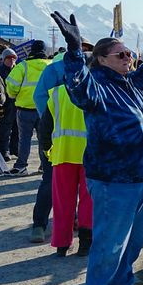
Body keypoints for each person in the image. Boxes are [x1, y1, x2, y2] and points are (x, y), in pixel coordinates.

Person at [51, 6, 143, 285]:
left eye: (129, 53)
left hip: (142, 176)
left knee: (131, 244)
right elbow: (78, 86)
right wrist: (73, 52)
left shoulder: (133, 84)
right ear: (102, 60)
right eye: (121, 55)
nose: (128, 57)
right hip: (114, 179)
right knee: (110, 246)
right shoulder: (97, 86)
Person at [28, 38, 94, 243]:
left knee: (72, 188)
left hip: (74, 141)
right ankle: (40, 225)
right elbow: (41, 98)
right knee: (52, 183)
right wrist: (51, 122)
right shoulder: (57, 69)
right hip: (60, 139)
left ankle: (71, 224)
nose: (84, 52)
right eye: (84, 48)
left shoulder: (86, 68)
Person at [39, 82, 93, 257]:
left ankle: (61, 245)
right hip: (90, 155)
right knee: (88, 201)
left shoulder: (56, 93)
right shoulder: (95, 89)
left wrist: (47, 151)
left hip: (62, 154)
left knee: (62, 201)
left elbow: (45, 127)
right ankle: (85, 243)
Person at [6, 40, 51, 176]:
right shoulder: (51, 66)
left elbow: (11, 86)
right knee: (46, 139)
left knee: (24, 139)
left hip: (25, 110)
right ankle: (45, 165)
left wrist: (14, 95)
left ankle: (21, 166)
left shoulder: (23, 66)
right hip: (46, 110)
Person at [0, 48, 19, 162]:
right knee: (5, 130)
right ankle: (4, 151)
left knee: (17, 129)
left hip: (18, 104)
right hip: (5, 105)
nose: (11, 60)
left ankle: (14, 149)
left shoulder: (18, 70)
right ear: (3, 59)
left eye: (13, 58)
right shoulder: (0, 71)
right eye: (9, 58)